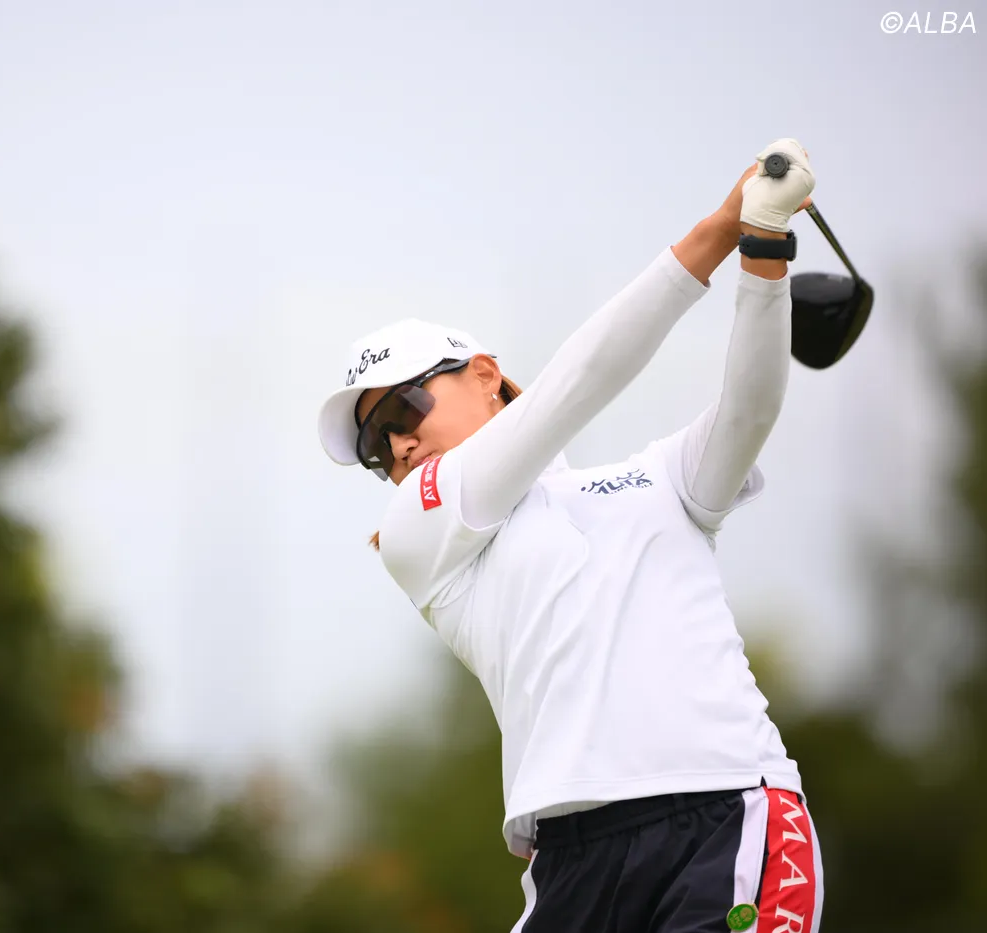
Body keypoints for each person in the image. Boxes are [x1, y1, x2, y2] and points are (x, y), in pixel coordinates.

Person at [315, 139, 823, 932]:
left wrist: (763, 252)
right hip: (571, 862)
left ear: (485, 375)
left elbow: (749, 410)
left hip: (728, 812)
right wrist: (721, 226)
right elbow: (571, 390)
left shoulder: (660, 480)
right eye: (376, 447)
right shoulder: (417, 533)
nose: (399, 445)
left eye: (404, 409)